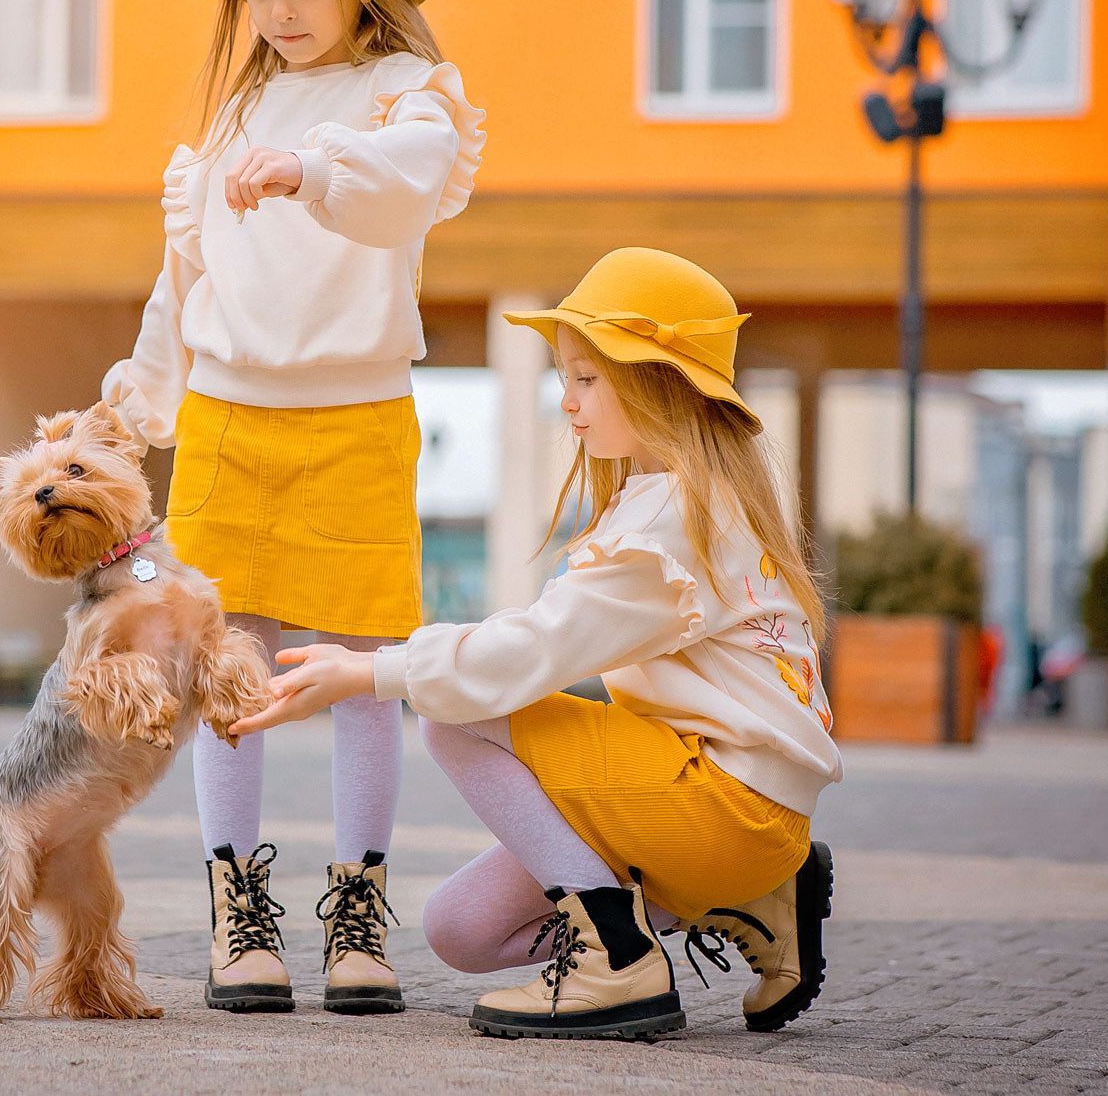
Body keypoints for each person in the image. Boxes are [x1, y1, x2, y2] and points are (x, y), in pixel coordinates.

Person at [234, 248, 840, 1040]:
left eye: (587, 378)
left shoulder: (670, 527)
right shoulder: (678, 502)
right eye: (567, 378)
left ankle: (619, 958)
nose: (567, 402)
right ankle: (750, 900)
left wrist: (372, 669)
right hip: (728, 812)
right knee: (460, 928)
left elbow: (532, 651)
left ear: (657, 379)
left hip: (726, 805)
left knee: (454, 717)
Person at [100, 0, 484, 1017]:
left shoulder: (410, 94)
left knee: (361, 675)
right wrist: (137, 405)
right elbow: (185, 276)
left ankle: (357, 916)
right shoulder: (229, 119)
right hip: (225, 419)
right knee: (233, 672)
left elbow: (401, 183)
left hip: (359, 418)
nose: (280, 10)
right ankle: (239, 914)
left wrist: (308, 167)